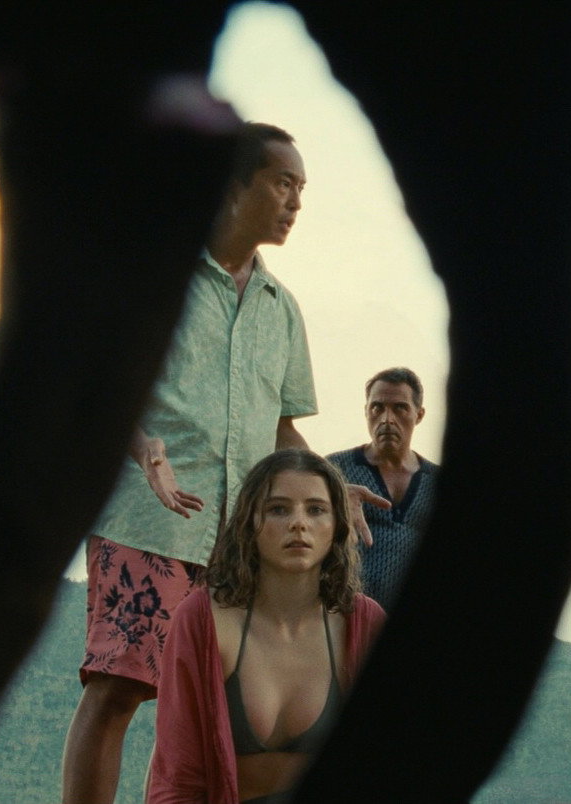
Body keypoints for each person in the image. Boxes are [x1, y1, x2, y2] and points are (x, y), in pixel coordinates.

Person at [60, 122, 386, 804]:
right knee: (118, 688)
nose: (295, 201)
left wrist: (333, 486)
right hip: (149, 520)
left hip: (242, 535)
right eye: (283, 183)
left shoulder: (281, 308)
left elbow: (282, 425)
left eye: (302, 188)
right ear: (234, 184)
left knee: (210, 708)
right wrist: (143, 447)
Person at [148, 449, 386, 804]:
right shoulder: (204, 619)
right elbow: (177, 777)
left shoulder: (363, 624)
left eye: (316, 510)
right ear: (249, 522)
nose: (298, 523)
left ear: (338, 524)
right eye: (278, 509)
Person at [326, 367, 438, 609]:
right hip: (345, 610)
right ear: (366, 411)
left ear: (419, 415)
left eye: (400, 408)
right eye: (377, 407)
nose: (387, 419)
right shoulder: (333, 470)